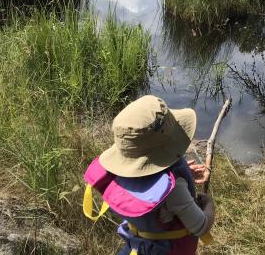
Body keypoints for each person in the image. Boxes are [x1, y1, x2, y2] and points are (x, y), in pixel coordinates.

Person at [83, 95, 215, 255]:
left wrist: (181, 177)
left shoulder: (118, 174)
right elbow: (200, 226)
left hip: (136, 246)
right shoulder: (176, 190)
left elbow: (151, 185)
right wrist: (206, 202)